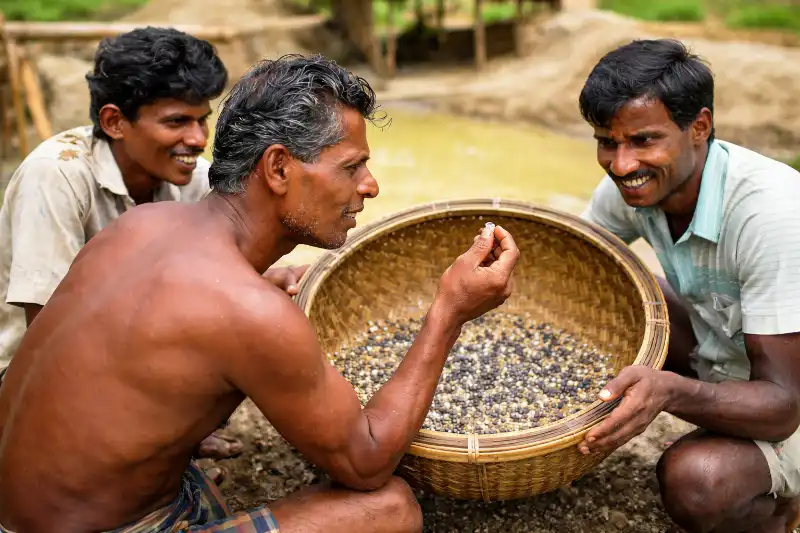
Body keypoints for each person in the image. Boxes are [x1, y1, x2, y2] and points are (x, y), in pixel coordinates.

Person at [0, 54, 520, 533]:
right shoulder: (247, 312)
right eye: (351, 166)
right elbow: (366, 461)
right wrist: (449, 311)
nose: (371, 186)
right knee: (389, 508)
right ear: (277, 168)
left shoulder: (140, 224)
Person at [0, 26, 307, 462]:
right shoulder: (56, 176)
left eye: (202, 119)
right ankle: (151, 458)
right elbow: (48, 341)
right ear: (114, 122)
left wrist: (267, 281)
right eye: (176, 122)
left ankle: (169, 443)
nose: (199, 139)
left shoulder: (195, 177)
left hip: (120, 363)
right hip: (29, 387)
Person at [576, 38, 800, 533]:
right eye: (605, 142)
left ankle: (779, 513)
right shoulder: (635, 182)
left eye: (643, 141)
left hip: (788, 400)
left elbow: (785, 405)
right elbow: (575, 261)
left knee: (695, 480)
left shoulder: (771, 213)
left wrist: (670, 392)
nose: (621, 165)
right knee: (602, 287)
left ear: (699, 127)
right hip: (724, 355)